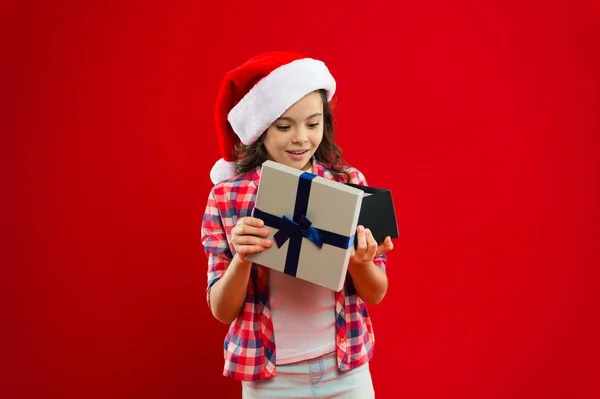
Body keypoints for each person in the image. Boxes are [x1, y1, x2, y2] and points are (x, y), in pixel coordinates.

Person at [201, 51, 394, 398]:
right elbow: (221, 309)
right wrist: (242, 259)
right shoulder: (227, 198)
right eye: (285, 126)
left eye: (313, 123)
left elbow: (376, 292)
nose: (301, 138)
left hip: (345, 370)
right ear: (261, 128)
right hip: (271, 379)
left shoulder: (348, 184)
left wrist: (359, 259)